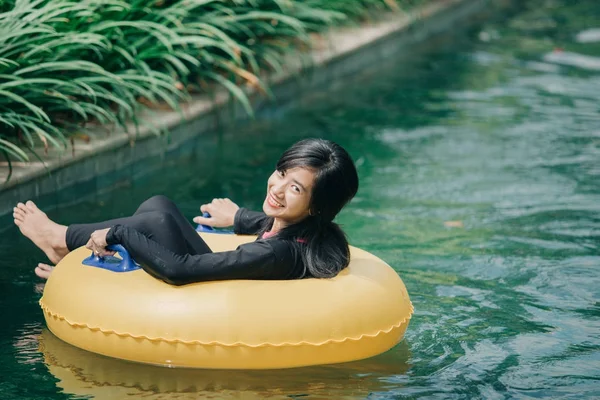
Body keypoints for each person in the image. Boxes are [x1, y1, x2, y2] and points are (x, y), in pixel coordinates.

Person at [13, 138, 359, 285]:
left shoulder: (273, 252)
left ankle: (60, 239)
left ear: (316, 206)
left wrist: (118, 233)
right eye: (282, 174)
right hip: (227, 288)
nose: (278, 188)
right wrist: (238, 218)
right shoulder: (310, 231)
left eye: (295, 188)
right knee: (160, 206)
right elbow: (269, 223)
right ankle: (66, 246)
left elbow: (180, 271)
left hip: (212, 305)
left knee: (153, 220)